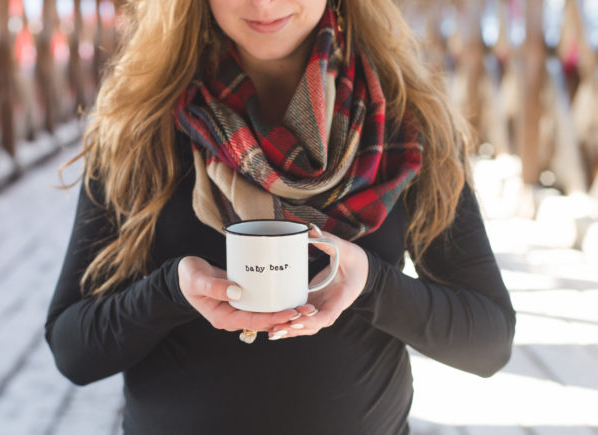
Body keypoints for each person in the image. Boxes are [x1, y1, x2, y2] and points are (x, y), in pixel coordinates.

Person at [45, 1, 516, 434]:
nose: (264, 3)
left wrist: (372, 284)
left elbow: (488, 340)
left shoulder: (406, 124)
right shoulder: (140, 125)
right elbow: (74, 350)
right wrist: (170, 292)